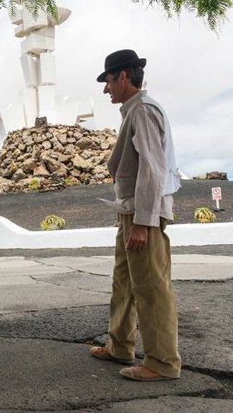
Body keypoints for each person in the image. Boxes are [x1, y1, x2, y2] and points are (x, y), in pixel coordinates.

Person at [90, 49, 182, 381]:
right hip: (131, 212)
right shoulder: (136, 110)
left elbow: (152, 171)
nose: (106, 90)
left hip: (143, 214)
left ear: (123, 77)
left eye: (109, 81)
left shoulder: (142, 111)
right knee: (125, 282)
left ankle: (161, 363)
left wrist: (142, 222)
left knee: (151, 288)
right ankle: (119, 345)